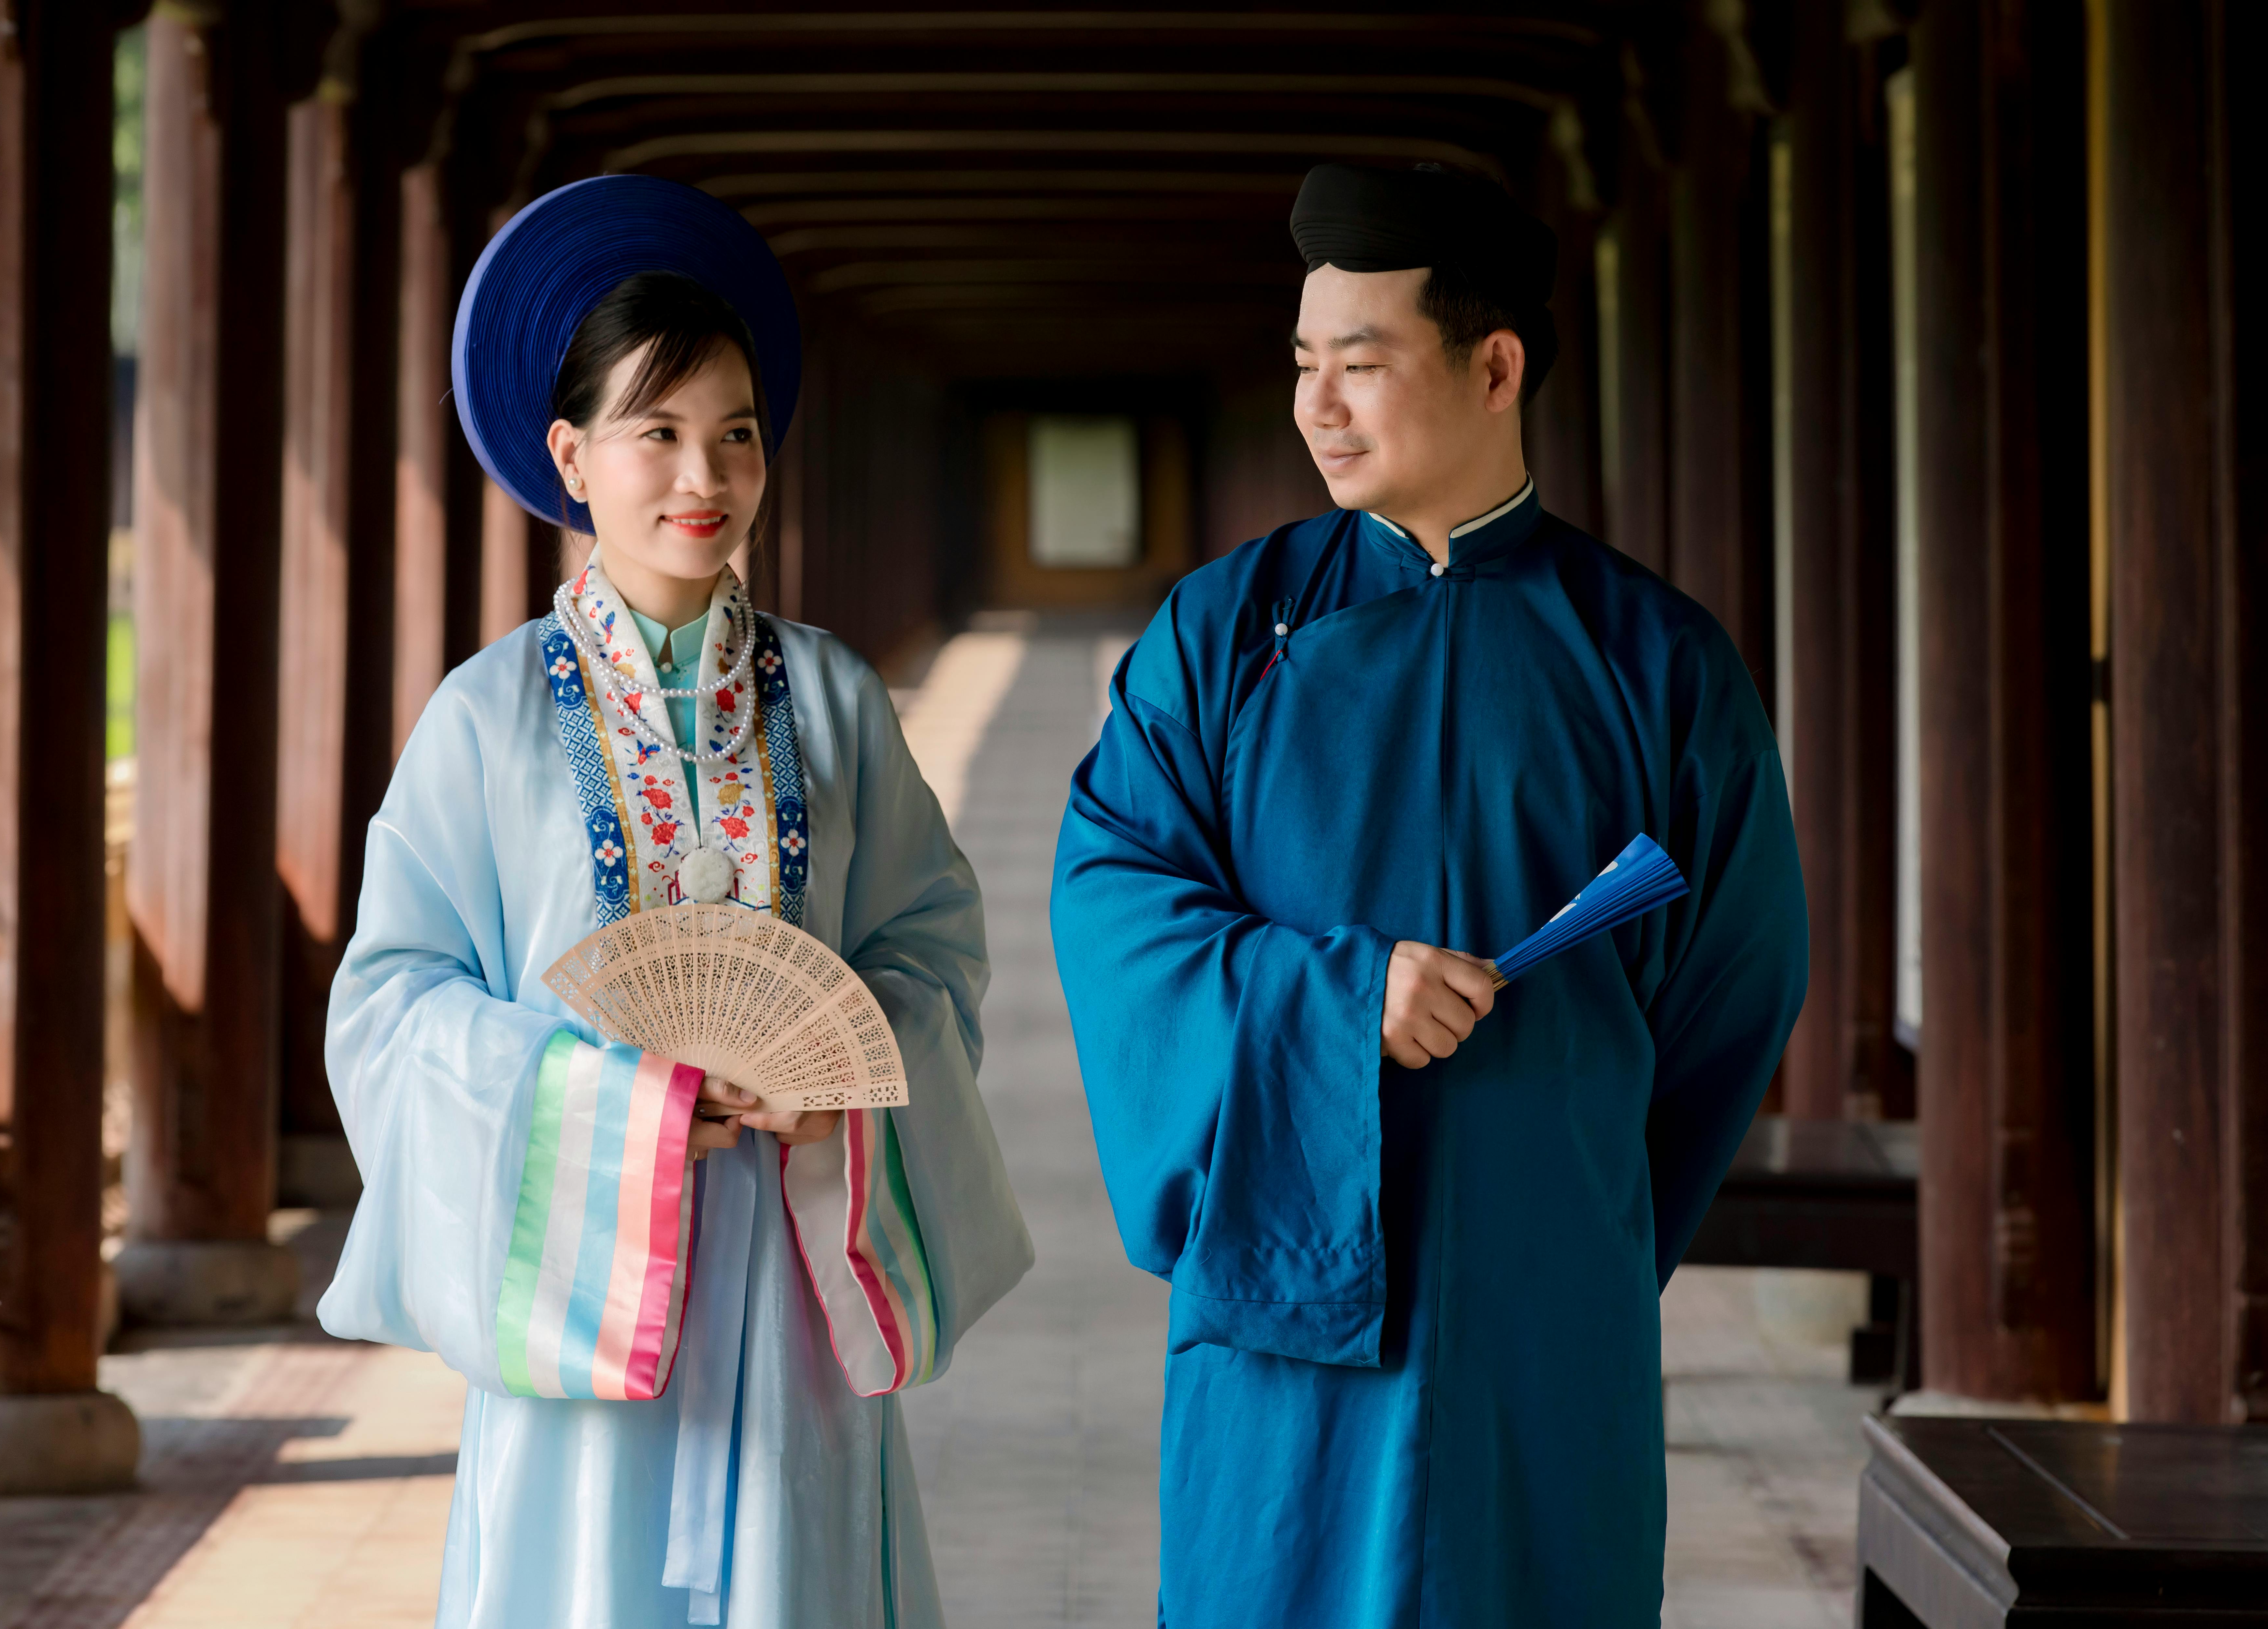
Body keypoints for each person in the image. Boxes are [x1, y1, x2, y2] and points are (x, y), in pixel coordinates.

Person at [1049, 163, 1808, 1626]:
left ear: (1495, 367)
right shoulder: (1223, 634)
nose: (1317, 406)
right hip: (1289, 1291)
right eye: (1302, 365)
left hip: (1543, 1296)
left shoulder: (1658, 663)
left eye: (1362, 363)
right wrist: (1341, 1000)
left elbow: (1737, 986)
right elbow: (1113, 903)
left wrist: (1576, 1201)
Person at [319, 175, 1031, 1629]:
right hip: (580, 1280)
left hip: (792, 1268)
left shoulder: (832, 698)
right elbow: (389, 1006)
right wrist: (605, 1104)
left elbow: (932, 947)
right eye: (657, 430)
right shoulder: (486, 718)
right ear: (570, 455)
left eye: (737, 432)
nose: (703, 473)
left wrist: (839, 1081)